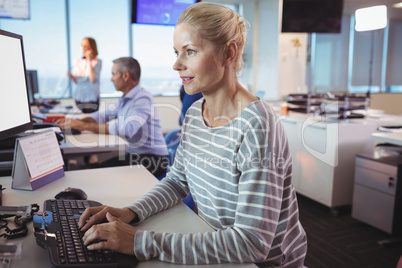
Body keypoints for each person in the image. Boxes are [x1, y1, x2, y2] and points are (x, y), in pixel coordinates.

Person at [78, 3, 307, 267]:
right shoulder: (196, 112)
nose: (176, 64)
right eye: (176, 52)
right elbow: (177, 180)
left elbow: (252, 243)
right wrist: (131, 211)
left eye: (190, 51)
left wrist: (140, 241)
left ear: (228, 53)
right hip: (218, 247)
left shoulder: (257, 124)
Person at [58, 57, 168, 177]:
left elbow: (128, 130)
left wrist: (84, 126)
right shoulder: (125, 99)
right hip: (136, 156)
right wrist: (75, 122)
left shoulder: (143, 99)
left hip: (153, 161)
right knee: (94, 173)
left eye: (113, 74)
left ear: (125, 75)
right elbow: (102, 115)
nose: (111, 79)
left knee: (96, 175)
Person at [68, 37, 102, 113]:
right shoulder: (78, 61)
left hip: (91, 98)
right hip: (79, 97)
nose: (83, 48)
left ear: (92, 47)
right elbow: (78, 81)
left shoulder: (97, 62)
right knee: (79, 120)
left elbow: (92, 79)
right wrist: (71, 76)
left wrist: (89, 60)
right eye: (81, 45)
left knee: (90, 121)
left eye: (85, 46)